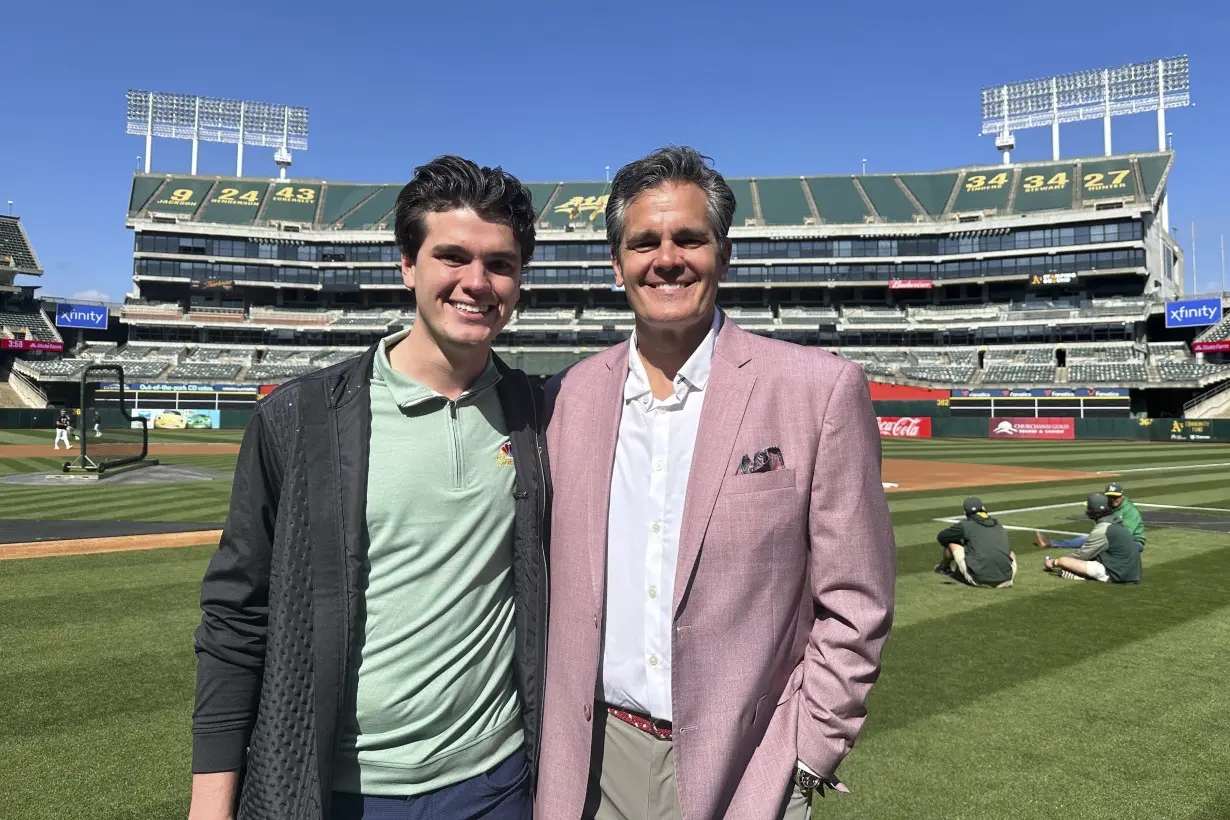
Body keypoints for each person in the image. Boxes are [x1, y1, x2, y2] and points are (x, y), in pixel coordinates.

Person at [537, 146, 896, 820]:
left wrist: (808, 751)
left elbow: (857, 597)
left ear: (722, 256)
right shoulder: (572, 397)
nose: (666, 257)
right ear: (617, 266)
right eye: (644, 242)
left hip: (746, 763)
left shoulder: (818, 390)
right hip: (592, 759)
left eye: (688, 238)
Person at [189, 156, 549, 820]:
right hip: (336, 791)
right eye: (452, 257)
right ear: (407, 265)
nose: (477, 281)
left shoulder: (541, 416)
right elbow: (236, 621)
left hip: (496, 784)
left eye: (499, 263)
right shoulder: (298, 419)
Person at [1043, 494, 1141, 583]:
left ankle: (1080, 575)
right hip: (1130, 571)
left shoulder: (1103, 528)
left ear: (1094, 511)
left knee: (1063, 561)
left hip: (1118, 574)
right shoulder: (1115, 522)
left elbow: (1083, 554)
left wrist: (1055, 562)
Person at [1035, 481, 1146, 552]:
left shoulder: (1130, 511)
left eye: (1116, 497)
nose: (1113, 499)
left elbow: (1125, 535)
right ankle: (1051, 543)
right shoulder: (1107, 504)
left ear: (1122, 496)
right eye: (1110, 496)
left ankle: (1052, 545)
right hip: (1114, 538)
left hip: (1134, 543)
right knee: (1089, 539)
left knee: (1091, 541)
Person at [934, 497, 1017, 588]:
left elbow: (942, 537)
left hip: (978, 580)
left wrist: (963, 543)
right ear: (983, 509)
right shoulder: (998, 525)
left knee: (952, 542)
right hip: (1007, 579)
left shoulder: (965, 525)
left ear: (966, 513)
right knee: (1010, 552)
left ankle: (944, 568)